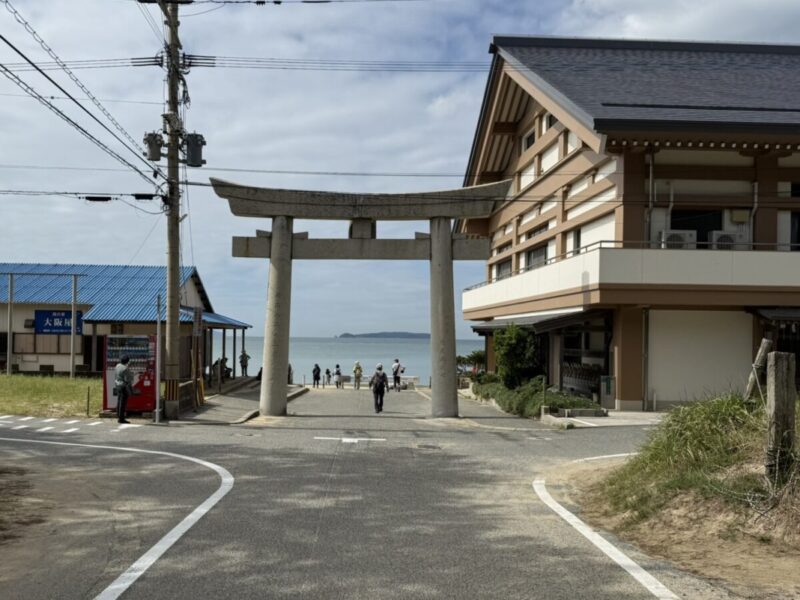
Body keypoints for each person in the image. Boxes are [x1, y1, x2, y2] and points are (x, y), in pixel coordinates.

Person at [114, 355, 133, 424]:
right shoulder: (125, 368)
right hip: (123, 386)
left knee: (119, 401)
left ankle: (118, 415)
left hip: (117, 385)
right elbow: (128, 379)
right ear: (127, 361)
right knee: (123, 403)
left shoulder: (117, 365)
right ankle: (121, 419)